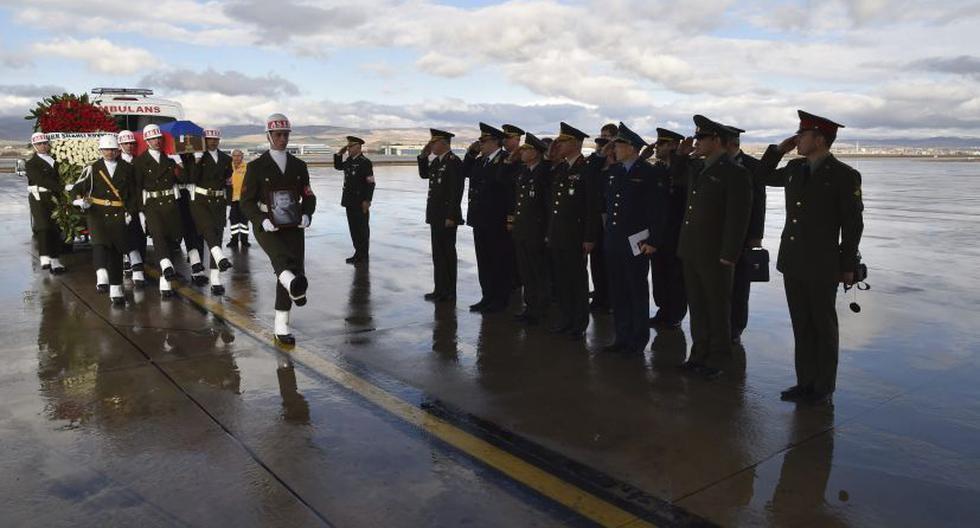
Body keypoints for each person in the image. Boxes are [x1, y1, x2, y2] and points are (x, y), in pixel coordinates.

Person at [757, 110, 864, 405]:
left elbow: (852, 225)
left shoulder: (844, 175)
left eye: (802, 135)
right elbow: (761, 176)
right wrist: (778, 150)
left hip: (823, 264)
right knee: (801, 324)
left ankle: (823, 386)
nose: (798, 139)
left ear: (819, 139)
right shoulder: (794, 168)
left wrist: (847, 266)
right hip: (793, 261)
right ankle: (805, 382)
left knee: (823, 326)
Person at [674, 115, 753, 379]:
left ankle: (718, 359)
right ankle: (698, 354)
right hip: (692, 249)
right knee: (697, 307)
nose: (696, 142)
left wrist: (730, 254)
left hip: (716, 253)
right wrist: (682, 156)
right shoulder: (698, 168)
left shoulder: (735, 173)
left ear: (716, 140)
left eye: (701, 138)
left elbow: (737, 217)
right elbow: (675, 180)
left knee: (717, 309)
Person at [240, 113, 316, 345]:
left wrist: (307, 214)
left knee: (293, 269)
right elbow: (246, 201)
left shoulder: (299, 166)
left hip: (293, 225)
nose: (282, 139)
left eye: (285, 134)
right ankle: (296, 290)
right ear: (269, 136)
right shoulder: (256, 167)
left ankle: (281, 325)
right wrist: (260, 219)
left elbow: (308, 195)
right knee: (282, 262)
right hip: (267, 226)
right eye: (278, 134)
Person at [602, 123, 667, 355]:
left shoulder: (649, 173)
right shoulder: (614, 172)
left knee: (635, 291)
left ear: (632, 148)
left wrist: (654, 241)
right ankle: (622, 337)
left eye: (619, 144)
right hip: (614, 242)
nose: (615, 148)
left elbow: (657, 211)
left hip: (637, 243)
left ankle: (637, 341)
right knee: (618, 292)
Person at [70, 134, 139, 305]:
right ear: (100, 151)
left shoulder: (127, 168)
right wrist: (80, 201)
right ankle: (101, 275)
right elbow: (76, 188)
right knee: (100, 244)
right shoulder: (92, 169)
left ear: (118, 150)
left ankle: (116, 288)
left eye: (112, 149)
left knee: (116, 251)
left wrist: (131, 212)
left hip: (118, 213)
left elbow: (133, 194)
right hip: (97, 213)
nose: (109, 152)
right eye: (106, 149)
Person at [546, 122, 599, 340]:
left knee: (576, 281)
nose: (559, 145)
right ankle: (566, 319)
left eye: (563, 141)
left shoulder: (586, 169)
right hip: (559, 233)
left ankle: (578, 323)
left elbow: (592, 207)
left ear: (576, 143)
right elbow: (553, 205)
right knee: (562, 280)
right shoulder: (561, 168)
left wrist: (589, 237)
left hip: (576, 236)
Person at [724, 125, 766, 344]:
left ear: (733, 144)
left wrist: (756, 235)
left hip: (745, 234)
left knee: (740, 283)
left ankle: (736, 327)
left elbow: (759, 202)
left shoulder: (752, 166)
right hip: (721, 234)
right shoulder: (716, 165)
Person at [133, 123, 186, 298]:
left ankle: (166, 279)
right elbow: (137, 187)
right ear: (147, 141)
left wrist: (179, 163)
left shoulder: (169, 158)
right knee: (158, 237)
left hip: (170, 203)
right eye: (153, 139)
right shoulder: (140, 162)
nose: (157, 141)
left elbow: (185, 179)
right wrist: (140, 211)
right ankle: (165, 268)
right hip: (152, 205)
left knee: (172, 241)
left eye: (158, 138)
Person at [464, 123, 512, 313]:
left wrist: (510, 218)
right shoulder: (480, 160)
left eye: (483, 141)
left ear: (494, 141)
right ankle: (487, 297)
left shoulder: (505, 160)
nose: (480, 144)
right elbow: (465, 172)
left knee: (498, 261)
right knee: (483, 261)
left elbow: (507, 189)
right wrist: (470, 153)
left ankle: (500, 300)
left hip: (496, 220)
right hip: (480, 219)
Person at [509, 133, 551, 325]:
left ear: (535, 153)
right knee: (526, 272)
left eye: (526, 149)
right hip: (522, 231)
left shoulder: (544, 173)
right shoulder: (524, 171)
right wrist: (511, 159)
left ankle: (540, 310)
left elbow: (548, 206)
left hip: (537, 232)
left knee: (538, 273)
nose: (522, 153)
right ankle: (530, 308)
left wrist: (546, 233)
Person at [647, 128, 688, 328]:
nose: (657, 147)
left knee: (675, 276)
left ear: (673, 146)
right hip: (659, 232)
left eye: (662, 143)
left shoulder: (685, 168)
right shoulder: (658, 169)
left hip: (677, 232)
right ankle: (663, 310)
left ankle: (675, 315)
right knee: (660, 274)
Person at [418, 129, 464, 302]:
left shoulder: (453, 162)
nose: (431, 145)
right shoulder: (437, 161)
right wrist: (423, 157)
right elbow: (424, 175)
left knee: (447, 254)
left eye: (434, 143)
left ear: (444, 143)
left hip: (447, 216)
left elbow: (456, 192)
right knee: (438, 254)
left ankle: (449, 291)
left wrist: (452, 215)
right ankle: (439, 288)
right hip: (436, 215)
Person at [189, 127, 233, 295]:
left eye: (215, 139)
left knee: (218, 237)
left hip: (219, 202)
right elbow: (192, 178)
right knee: (208, 231)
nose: (212, 142)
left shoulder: (225, 158)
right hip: (200, 200)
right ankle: (219, 260)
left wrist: (228, 203)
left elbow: (228, 183)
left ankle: (215, 279)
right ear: (204, 141)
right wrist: (197, 160)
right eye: (209, 140)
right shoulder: (198, 157)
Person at [585, 123, 618, 313]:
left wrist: (611, 159)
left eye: (607, 137)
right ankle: (599, 296)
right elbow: (588, 176)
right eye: (601, 137)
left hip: (611, 217)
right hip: (596, 216)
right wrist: (600, 156)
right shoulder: (595, 161)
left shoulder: (617, 163)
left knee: (610, 263)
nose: (602, 141)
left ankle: (610, 299)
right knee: (596, 260)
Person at [25, 132, 67, 274]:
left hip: (53, 197)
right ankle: (44, 256)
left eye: (44, 143)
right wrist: (62, 188)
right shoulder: (31, 164)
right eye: (39, 144)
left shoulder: (55, 160)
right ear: (34, 146)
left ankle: (55, 260)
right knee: (43, 227)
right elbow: (42, 180)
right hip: (39, 197)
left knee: (55, 228)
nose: (42, 146)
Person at [333, 135, 375, 264]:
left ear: (358, 147)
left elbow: (370, 183)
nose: (349, 149)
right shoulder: (349, 161)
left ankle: (363, 255)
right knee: (354, 229)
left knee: (362, 229)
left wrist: (367, 200)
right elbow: (338, 166)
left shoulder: (365, 162)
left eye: (351, 147)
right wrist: (340, 153)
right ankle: (358, 253)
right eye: (348, 147)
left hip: (360, 201)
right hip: (349, 201)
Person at [117, 130, 146, 288]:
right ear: (120, 145)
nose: (129, 146)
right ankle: (130, 260)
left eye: (131, 143)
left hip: (137, 203)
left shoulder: (139, 161)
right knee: (124, 235)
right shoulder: (115, 163)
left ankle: (139, 264)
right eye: (126, 143)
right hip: (120, 205)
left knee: (139, 235)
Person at [226, 149, 251, 249]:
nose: (236, 158)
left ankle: (245, 240)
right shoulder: (228, 168)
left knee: (244, 221)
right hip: (232, 199)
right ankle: (234, 240)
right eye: (234, 156)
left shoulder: (247, 168)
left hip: (243, 199)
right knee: (233, 221)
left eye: (238, 156)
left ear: (242, 156)